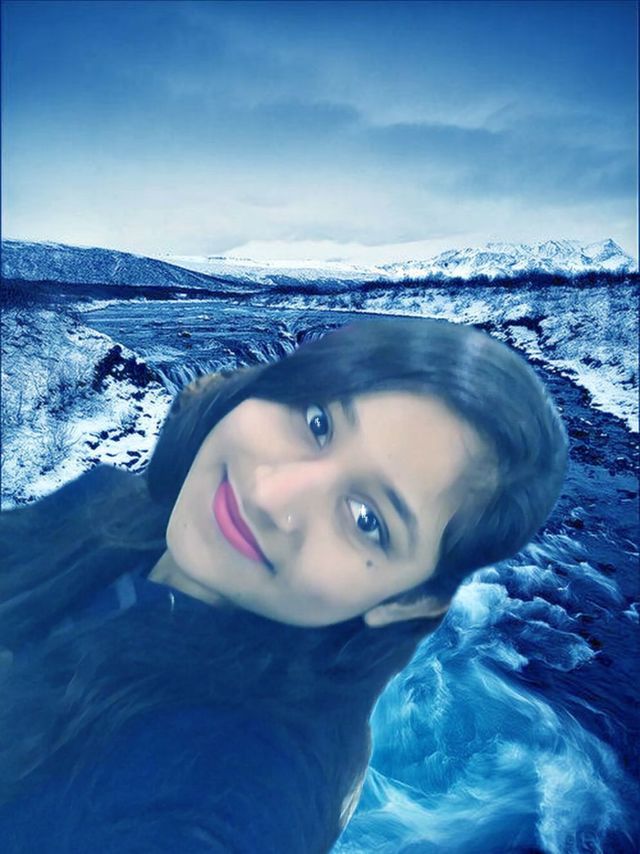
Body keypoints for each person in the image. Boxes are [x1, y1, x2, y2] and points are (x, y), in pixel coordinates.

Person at [0, 316, 569, 853]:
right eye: (318, 423)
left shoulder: (239, 778)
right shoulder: (105, 499)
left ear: (407, 602)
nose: (270, 496)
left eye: (366, 518)